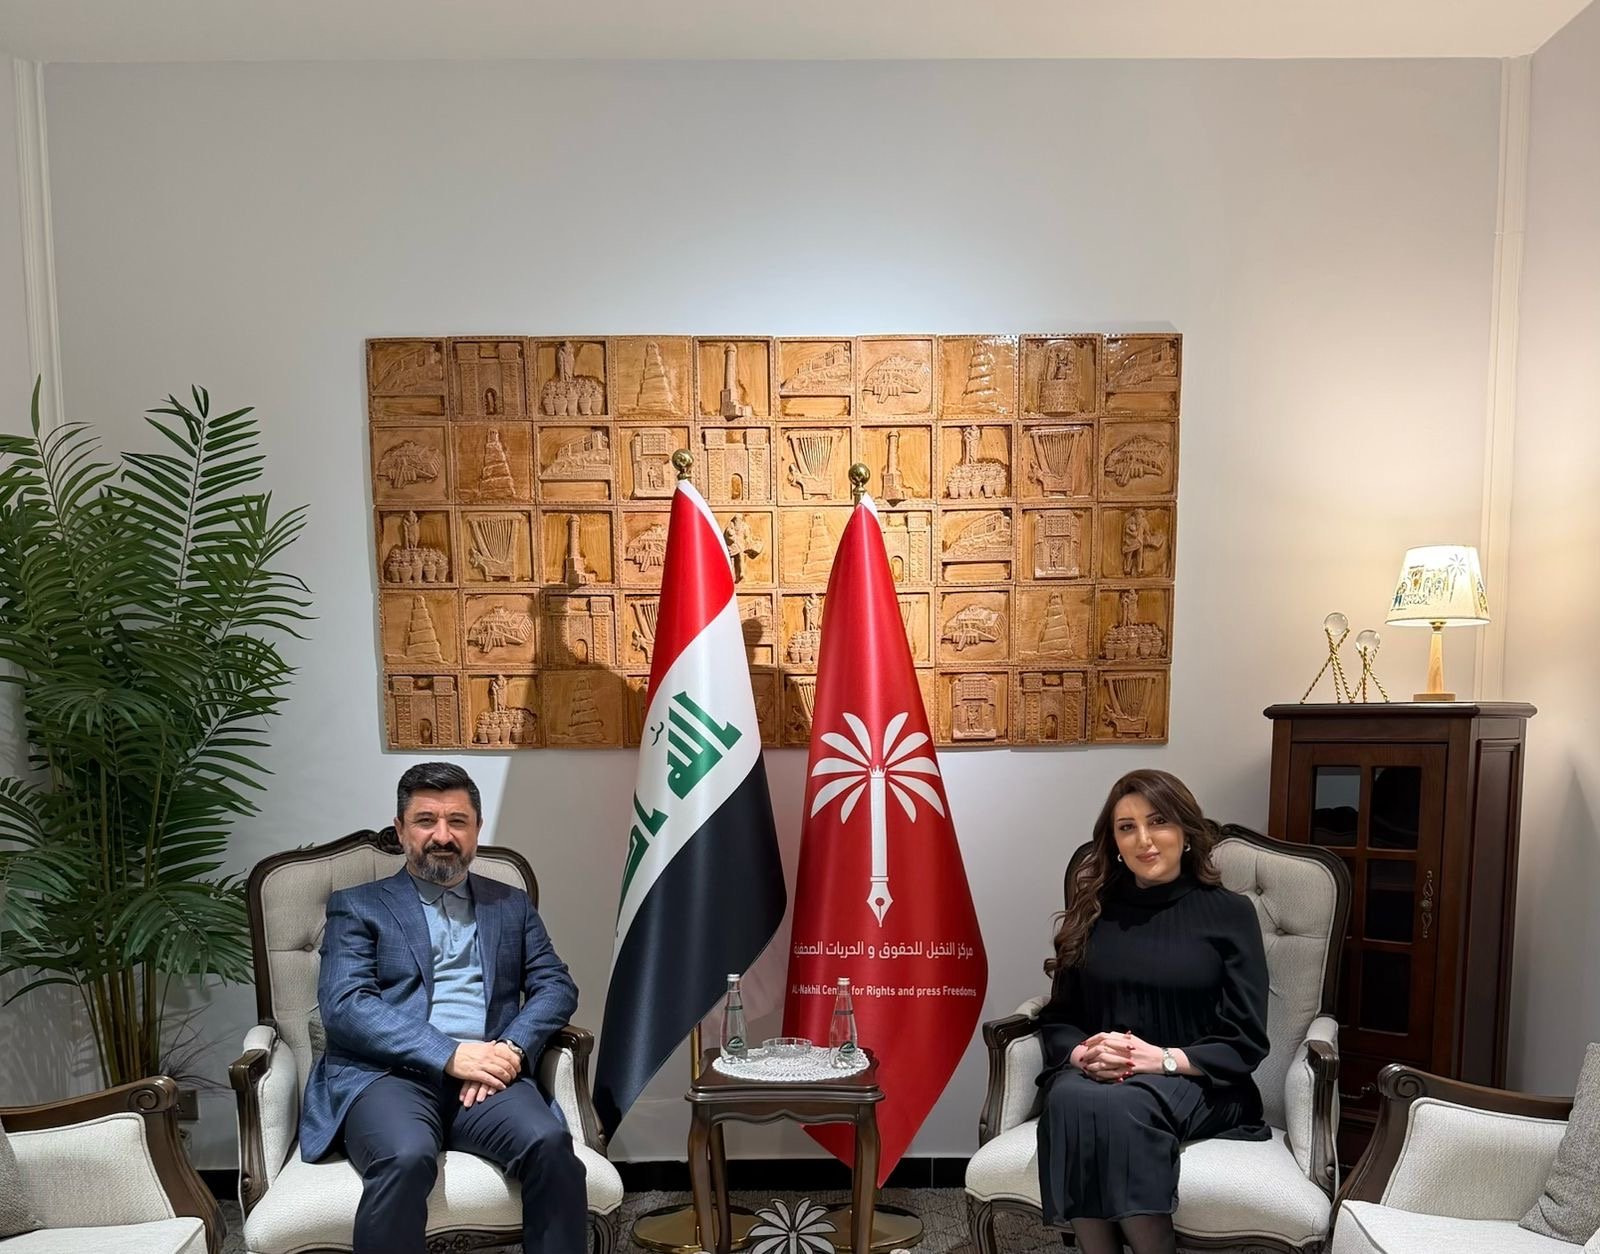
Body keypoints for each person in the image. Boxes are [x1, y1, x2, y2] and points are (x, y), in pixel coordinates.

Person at [299, 762, 584, 1254]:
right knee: (406, 1156)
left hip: (488, 1076)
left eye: (457, 821)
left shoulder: (510, 904)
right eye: (426, 820)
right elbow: (345, 1005)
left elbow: (556, 985)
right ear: (400, 830)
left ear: (477, 828)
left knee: (551, 1145)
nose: (443, 835)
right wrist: (449, 1053)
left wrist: (512, 1047)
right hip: (388, 1076)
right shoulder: (359, 905)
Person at [1035, 769, 1270, 1254]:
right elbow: (1058, 1017)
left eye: (1158, 821)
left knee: (1119, 1106)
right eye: (1127, 827)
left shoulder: (1230, 913)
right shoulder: (1094, 910)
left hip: (1200, 1081)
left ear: (1185, 830)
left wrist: (1159, 1059)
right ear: (1114, 842)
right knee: (1069, 1096)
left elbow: (1246, 1039)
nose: (1144, 839)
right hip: (1100, 1074)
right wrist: (1084, 1053)